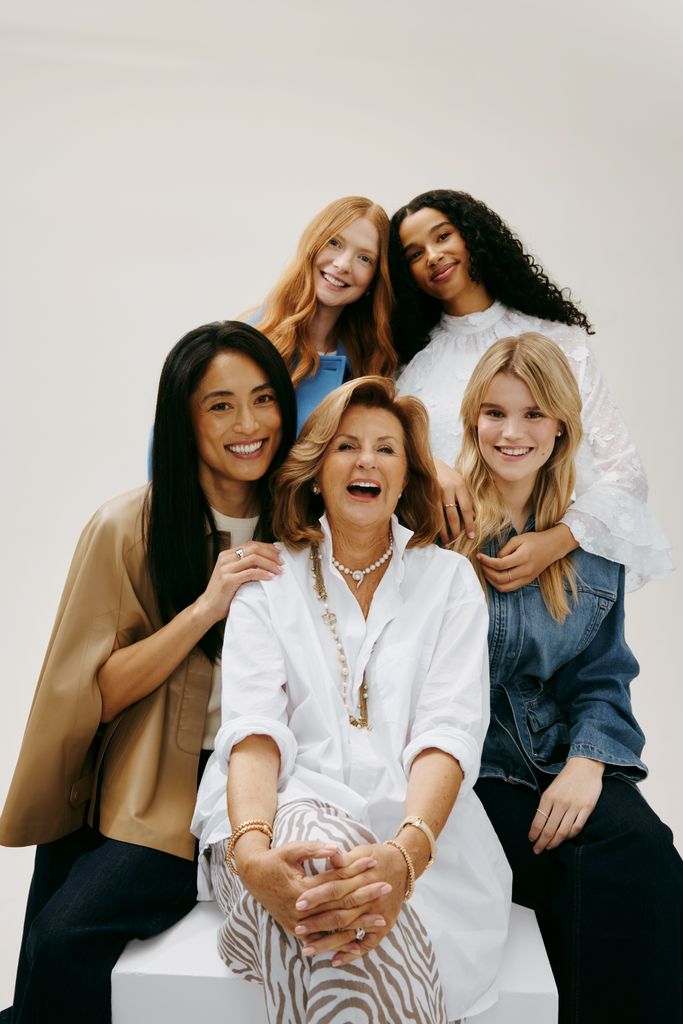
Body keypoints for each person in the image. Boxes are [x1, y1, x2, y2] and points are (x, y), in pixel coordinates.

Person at [0, 321, 297, 1024]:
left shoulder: (304, 518)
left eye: (262, 399)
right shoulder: (127, 527)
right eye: (219, 405)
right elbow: (95, 695)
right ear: (182, 418)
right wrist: (204, 609)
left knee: (64, 938)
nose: (248, 424)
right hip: (140, 778)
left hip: (252, 789)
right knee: (48, 949)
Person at [191, 376, 511, 1023]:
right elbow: (253, 734)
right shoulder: (267, 580)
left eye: (386, 449)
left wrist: (401, 857)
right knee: (318, 872)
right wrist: (252, 856)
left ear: (405, 476)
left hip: (415, 837)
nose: (366, 461)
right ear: (315, 471)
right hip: (272, 821)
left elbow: (448, 732)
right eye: (346, 446)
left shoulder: (448, 580)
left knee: (339, 925)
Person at [450, 332, 683, 1024]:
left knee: (641, 850)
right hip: (466, 764)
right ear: (472, 421)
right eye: (494, 413)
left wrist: (587, 762)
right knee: (566, 871)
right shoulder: (437, 524)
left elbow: (602, 678)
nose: (511, 432)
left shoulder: (590, 543)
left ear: (560, 425)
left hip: (554, 754)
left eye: (531, 414)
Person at [390, 188, 672, 591]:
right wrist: (427, 465)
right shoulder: (409, 366)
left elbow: (624, 473)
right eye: (414, 254)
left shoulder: (558, 341)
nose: (432, 256)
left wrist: (553, 543)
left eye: (442, 236)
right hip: (434, 582)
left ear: (474, 237)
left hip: (540, 578)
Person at [247, 195, 397, 431]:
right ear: (313, 244)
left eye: (364, 258)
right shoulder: (253, 338)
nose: (343, 264)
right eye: (334, 243)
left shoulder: (368, 361)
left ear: (375, 279)